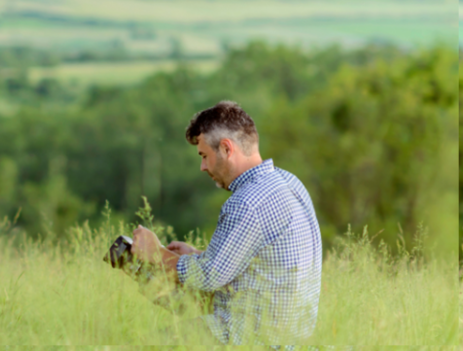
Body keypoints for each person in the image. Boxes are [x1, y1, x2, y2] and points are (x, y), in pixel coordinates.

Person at [132, 101, 322, 346]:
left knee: (149, 344)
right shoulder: (289, 183)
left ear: (226, 148)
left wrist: (156, 253)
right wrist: (198, 255)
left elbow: (209, 277)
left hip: (252, 337)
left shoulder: (246, 201)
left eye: (204, 156)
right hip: (292, 337)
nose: (202, 167)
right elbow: (269, 263)